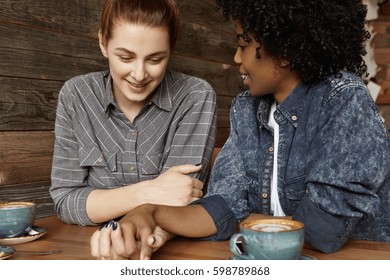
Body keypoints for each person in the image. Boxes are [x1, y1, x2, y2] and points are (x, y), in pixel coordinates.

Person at [90, 0, 390, 259]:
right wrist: (151, 212)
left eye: (243, 44)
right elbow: (222, 207)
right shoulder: (247, 108)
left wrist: (246, 219)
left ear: (284, 53)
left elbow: (324, 231)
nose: (236, 58)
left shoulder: (343, 100)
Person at [50, 0, 217, 227]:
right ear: (103, 42)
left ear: (171, 49)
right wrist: (148, 192)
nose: (139, 75)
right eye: (125, 58)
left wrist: (101, 202)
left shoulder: (195, 96)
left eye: (155, 59)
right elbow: (65, 200)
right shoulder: (76, 95)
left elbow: (180, 198)